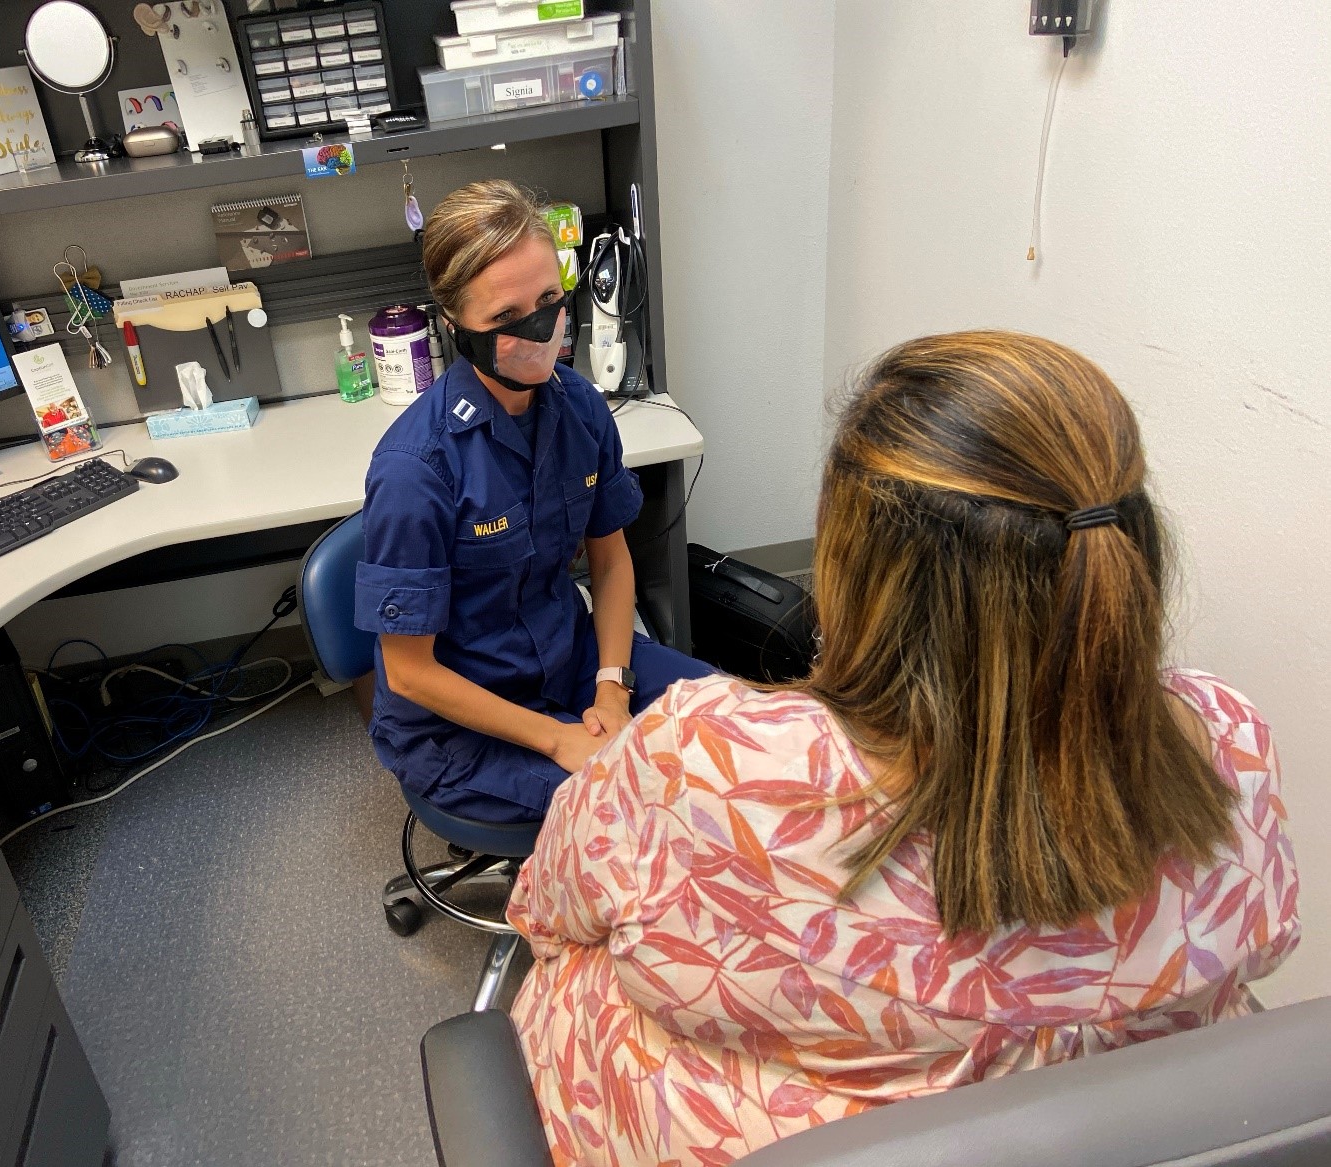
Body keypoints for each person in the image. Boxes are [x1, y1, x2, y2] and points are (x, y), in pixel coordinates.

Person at [506, 331, 1299, 1166]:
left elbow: (546, 910)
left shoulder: (709, 763)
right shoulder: (1226, 744)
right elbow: (1268, 941)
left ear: (856, 567)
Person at [356, 180, 714, 824]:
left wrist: (611, 684)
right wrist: (560, 738)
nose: (543, 329)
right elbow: (409, 673)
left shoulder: (580, 408)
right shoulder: (417, 469)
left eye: (551, 299)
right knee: (653, 808)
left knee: (734, 726)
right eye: (505, 318)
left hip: (571, 663)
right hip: (462, 725)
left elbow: (609, 561)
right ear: (454, 325)